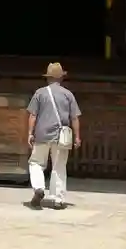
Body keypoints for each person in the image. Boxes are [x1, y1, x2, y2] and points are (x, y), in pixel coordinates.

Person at [25, 62, 80, 210]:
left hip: (41, 134)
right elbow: (74, 117)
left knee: (36, 162)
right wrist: (77, 137)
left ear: (48, 77)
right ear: (61, 78)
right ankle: (58, 199)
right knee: (59, 166)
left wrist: (30, 133)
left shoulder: (40, 93)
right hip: (61, 136)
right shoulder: (68, 94)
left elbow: (33, 115)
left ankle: (39, 187)